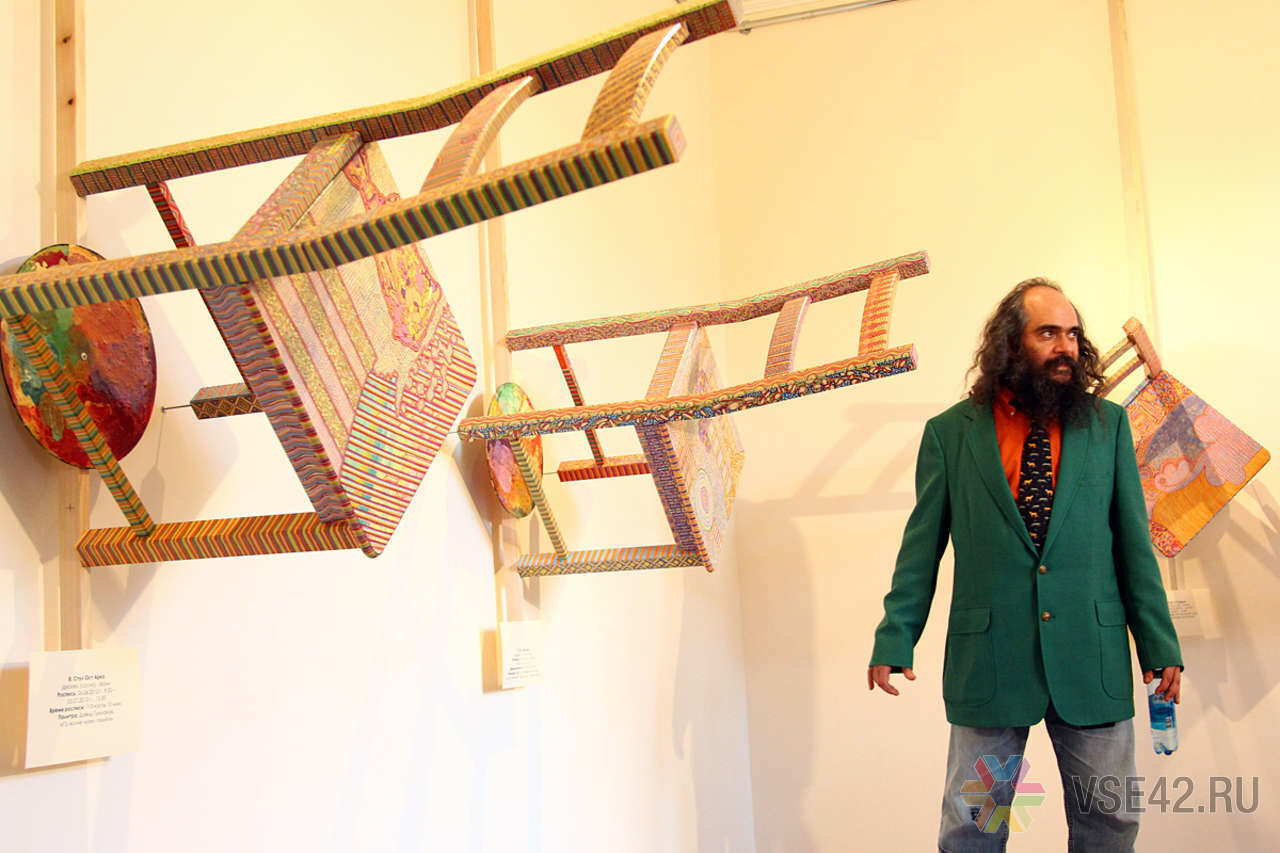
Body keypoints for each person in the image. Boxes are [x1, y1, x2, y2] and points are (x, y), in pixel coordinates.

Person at [867, 278, 1183, 852]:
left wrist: (1159, 644)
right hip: (990, 660)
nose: (1066, 347)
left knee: (1111, 821)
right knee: (972, 824)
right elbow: (921, 547)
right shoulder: (950, 435)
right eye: (1048, 333)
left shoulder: (1108, 426)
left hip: (1091, 656)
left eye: (1073, 334)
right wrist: (896, 635)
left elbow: (1133, 546)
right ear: (1011, 343)